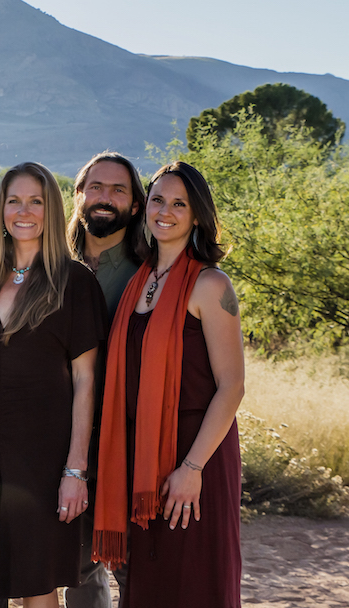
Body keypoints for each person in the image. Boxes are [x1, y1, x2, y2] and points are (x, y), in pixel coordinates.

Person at [0, 162, 107, 607]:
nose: (24, 210)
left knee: (37, 584)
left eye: (36, 201)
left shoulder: (75, 282)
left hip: (44, 456)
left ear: (51, 210)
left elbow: (86, 381)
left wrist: (76, 470)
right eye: (14, 200)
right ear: (2, 210)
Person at [93, 162, 244, 608]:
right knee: (147, 584)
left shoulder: (211, 284)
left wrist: (192, 469)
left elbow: (232, 387)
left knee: (194, 581)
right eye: (158, 200)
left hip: (197, 453)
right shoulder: (139, 281)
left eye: (180, 204)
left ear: (197, 214)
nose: (166, 211)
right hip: (142, 454)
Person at [64, 151, 147, 608]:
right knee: (76, 562)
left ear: (135, 205)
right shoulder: (49, 265)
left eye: (119, 190)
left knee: (124, 559)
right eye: (95, 187)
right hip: (56, 433)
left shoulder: (148, 274)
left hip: (122, 437)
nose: (105, 198)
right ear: (78, 196)